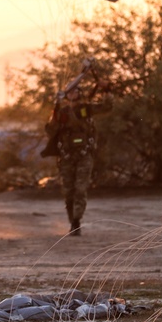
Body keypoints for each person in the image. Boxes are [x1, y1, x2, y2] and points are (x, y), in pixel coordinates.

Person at [42, 83, 109, 236]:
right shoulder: (61, 112)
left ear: (80, 93)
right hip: (66, 157)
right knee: (68, 191)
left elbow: (106, 107)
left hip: (84, 155)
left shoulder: (86, 109)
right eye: (70, 91)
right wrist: (56, 107)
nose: (72, 94)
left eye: (75, 91)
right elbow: (50, 130)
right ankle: (72, 220)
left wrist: (107, 92)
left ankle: (76, 221)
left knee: (80, 189)